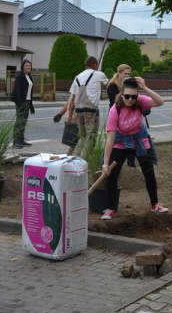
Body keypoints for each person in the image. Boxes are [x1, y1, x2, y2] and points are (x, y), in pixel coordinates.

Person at [101, 77, 166, 220]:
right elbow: (110, 139)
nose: (130, 99)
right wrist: (105, 165)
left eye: (133, 96)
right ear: (121, 94)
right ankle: (110, 208)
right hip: (121, 141)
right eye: (127, 96)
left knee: (149, 172)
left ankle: (154, 204)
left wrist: (145, 88)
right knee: (111, 174)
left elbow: (160, 102)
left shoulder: (140, 100)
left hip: (139, 140)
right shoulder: (115, 110)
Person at [68, 56, 108, 156]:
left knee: (82, 136)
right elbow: (109, 84)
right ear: (95, 65)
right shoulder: (99, 74)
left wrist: (69, 116)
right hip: (90, 111)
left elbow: (72, 99)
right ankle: (83, 159)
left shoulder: (77, 77)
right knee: (90, 137)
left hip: (78, 111)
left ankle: (75, 158)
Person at [106, 64, 136, 168]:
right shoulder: (113, 84)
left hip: (128, 114)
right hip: (116, 115)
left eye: (129, 74)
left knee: (132, 136)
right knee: (113, 139)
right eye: (125, 73)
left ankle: (131, 161)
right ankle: (106, 162)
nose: (127, 76)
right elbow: (114, 101)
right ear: (119, 73)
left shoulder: (126, 84)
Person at [10, 59, 35, 149]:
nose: (28, 67)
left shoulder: (29, 76)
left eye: (29, 66)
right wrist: (20, 103)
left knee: (23, 122)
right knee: (19, 122)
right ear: (23, 67)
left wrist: (30, 104)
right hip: (21, 102)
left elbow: (30, 91)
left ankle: (21, 140)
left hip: (27, 101)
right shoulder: (20, 75)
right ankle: (15, 142)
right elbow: (18, 90)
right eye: (26, 66)